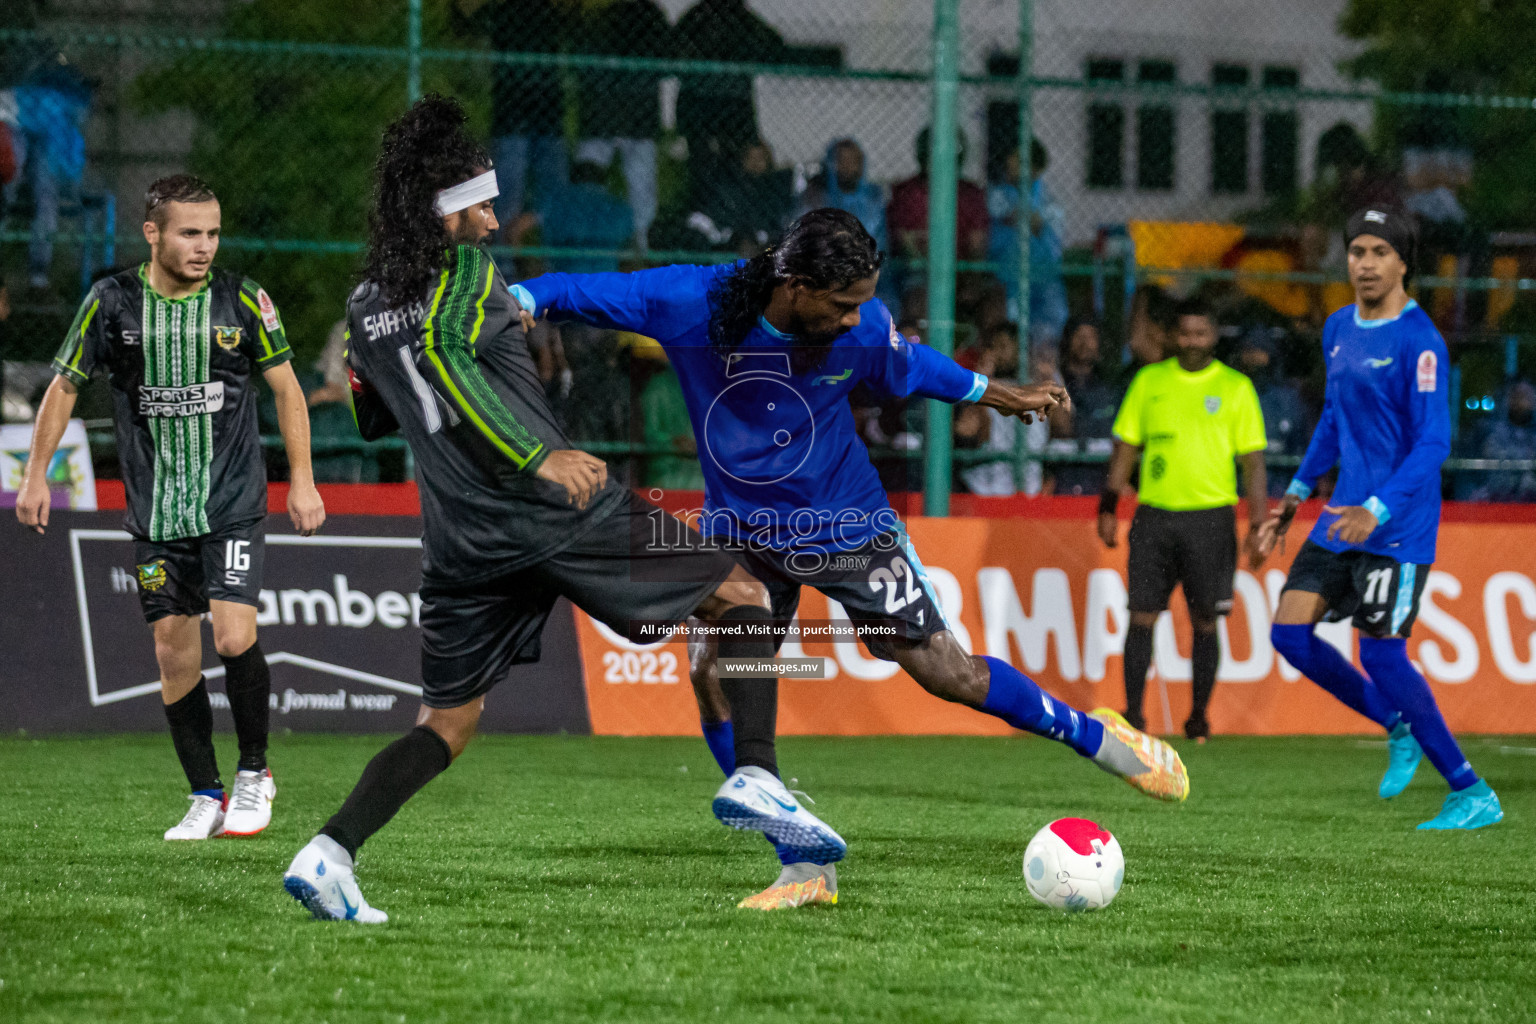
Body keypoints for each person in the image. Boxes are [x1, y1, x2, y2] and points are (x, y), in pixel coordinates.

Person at [513, 207, 1190, 911]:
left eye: (862, 303)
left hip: (847, 524)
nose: (853, 320)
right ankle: (803, 863)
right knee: (715, 673)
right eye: (841, 304)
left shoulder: (860, 325)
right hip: (742, 530)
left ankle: (1102, 739)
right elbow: (579, 290)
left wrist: (999, 395)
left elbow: (913, 365)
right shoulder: (694, 302)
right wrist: (521, 301)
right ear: (797, 285)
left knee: (948, 673)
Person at [279, 96, 810, 923]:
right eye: (481, 206)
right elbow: (449, 359)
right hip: (551, 508)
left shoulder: (363, 302)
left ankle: (328, 852)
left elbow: (376, 410)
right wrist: (539, 453)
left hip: (461, 539)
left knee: (446, 725)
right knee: (744, 597)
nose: (493, 222)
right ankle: (760, 776)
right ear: (442, 215)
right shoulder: (466, 279)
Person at [16, 173, 325, 839]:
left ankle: (253, 773)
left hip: (233, 504)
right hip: (156, 517)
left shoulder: (244, 301)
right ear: (152, 233)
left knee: (233, 633)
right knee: (172, 652)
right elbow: (64, 388)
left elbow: (289, 390)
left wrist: (301, 479)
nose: (205, 246)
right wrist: (35, 475)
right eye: (190, 232)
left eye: (213, 232)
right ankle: (205, 794)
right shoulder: (110, 303)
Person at [1258, 206, 1502, 831]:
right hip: (1341, 517)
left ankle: (1471, 790)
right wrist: (1293, 495)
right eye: (1356, 251)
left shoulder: (1421, 341)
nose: (1363, 264)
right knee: (1288, 634)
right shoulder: (1338, 326)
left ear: (1402, 263)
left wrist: (1378, 507)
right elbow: (1335, 420)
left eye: (1377, 253)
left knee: (1383, 656)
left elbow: (1434, 443)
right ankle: (1395, 722)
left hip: (1396, 525)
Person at [1098, 297, 1269, 739]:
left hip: (1211, 520)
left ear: (1214, 336)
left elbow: (1252, 462)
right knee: (1141, 616)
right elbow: (1126, 447)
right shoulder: (1149, 381)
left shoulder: (1236, 388)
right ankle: (1134, 716)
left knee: (1206, 622)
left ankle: (1198, 719)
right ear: (1174, 336)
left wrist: (1258, 523)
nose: (1193, 340)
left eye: (1202, 332)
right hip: (1154, 518)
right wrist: (1107, 505)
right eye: (1186, 332)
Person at [453, 0, 572, 230]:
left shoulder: (549, 10)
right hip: (515, 112)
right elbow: (465, 23)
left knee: (551, 195)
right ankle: (505, 261)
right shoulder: (503, 9)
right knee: (509, 195)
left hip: (544, 112)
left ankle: (548, 257)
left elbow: (574, 22)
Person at [573, 0, 671, 249]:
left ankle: (640, 248)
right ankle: (593, 246)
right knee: (590, 183)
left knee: (641, 191)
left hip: (630, 118)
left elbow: (667, 59)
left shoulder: (649, 16)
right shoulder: (602, 15)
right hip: (609, 117)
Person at [987, 139, 1067, 343]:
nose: (1010, 163)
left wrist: (1030, 220)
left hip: (1043, 277)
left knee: (1052, 320)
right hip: (1008, 277)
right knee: (1012, 327)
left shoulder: (1048, 200)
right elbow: (1011, 216)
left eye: (1020, 160)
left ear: (1036, 170)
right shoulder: (998, 194)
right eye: (1012, 158)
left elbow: (1050, 235)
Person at [887, 127, 989, 263]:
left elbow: (977, 241)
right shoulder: (907, 191)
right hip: (919, 269)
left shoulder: (970, 193)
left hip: (963, 267)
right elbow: (905, 239)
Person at [1235, 325, 1313, 496]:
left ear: (1270, 355)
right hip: (1236, 490)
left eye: (1259, 351)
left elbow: (1302, 446)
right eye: (1248, 351)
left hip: (1279, 489)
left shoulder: (1289, 399)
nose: (1254, 357)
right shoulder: (1230, 394)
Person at [1052, 317, 1119, 496]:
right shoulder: (1054, 381)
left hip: (1098, 479)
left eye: (1091, 337)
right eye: (1079, 336)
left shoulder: (1109, 389)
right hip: (1061, 479)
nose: (1084, 343)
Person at [798, 138, 887, 255]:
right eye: (841, 160)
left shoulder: (874, 198)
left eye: (853, 160)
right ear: (831, 163)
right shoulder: (815, 199)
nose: (847, 166)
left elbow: (881, 242)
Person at [1469, 380, 1536, 502]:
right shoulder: (1490, 430)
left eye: (1528, 397)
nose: (1522, 402)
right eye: (1518, 396)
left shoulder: (1533, 435)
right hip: (1496, 501)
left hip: (1530, 503)